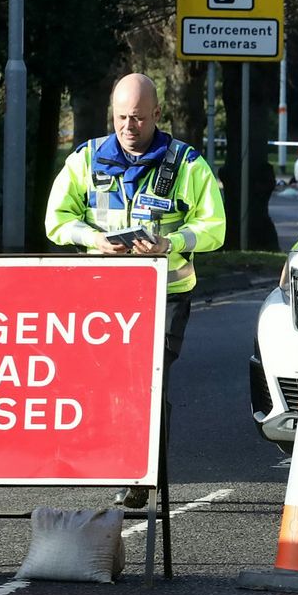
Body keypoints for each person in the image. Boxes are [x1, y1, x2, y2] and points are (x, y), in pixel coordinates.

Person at [45, 73, 225, 508]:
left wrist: (172, 243)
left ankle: (141, 477)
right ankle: (116, 463)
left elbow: (214, 229)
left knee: (148, 381)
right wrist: (94, 240)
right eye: (122, 117)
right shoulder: (85, 160)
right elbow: (56, 220)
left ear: (157, 114)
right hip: (104, 295)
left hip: (167, 293)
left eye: (139, 118)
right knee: (106, 382)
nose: (129, 126)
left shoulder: (186, 164)